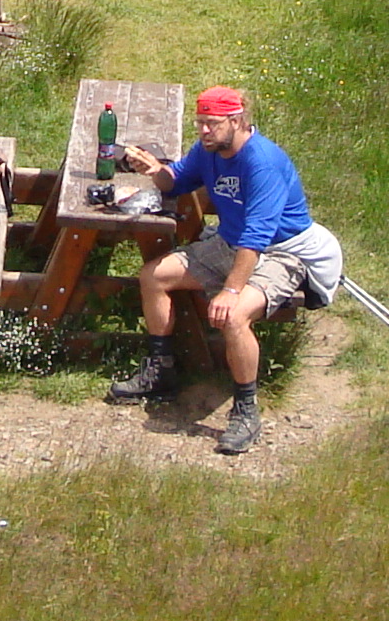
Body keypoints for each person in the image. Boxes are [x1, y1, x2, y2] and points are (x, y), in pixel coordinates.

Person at [104, 87, 342, 455]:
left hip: (280, 253)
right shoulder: (209, 149)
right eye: (200, 122)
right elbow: (177, 180)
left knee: (234, 317)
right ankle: (161, 370)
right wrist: (155, 171)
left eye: (211, 123)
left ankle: (246, 409)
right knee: (153, 277)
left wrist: (231, 291)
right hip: (231, 242)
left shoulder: (262, 162)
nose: (203, 130)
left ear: (237, 120)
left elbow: (257, 236)